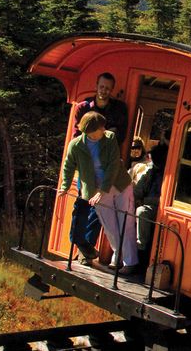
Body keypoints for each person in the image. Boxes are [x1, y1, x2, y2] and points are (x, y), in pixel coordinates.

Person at [60, 112, 139, 274]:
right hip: (96, 190)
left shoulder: (109, 138)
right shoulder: (75, 145)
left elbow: (113, 165)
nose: (104, 129)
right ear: (90, 130)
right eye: (100, 127)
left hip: (119, 185)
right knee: (109, 225)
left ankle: (130, 262)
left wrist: (103, 190)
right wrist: (65, 186)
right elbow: (68, 166)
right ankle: (118, 254)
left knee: (126, 221)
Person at [68, 72, 129, 264]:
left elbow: (120, 137)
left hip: (106, 169)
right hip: (86, 167)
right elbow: (77, 136)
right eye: (101, 87)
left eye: (108, 88)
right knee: (82, 206)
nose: (104, 91)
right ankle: (80, 245)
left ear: (112, 90)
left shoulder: (119, 109)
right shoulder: (83, 107)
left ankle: (86, 250)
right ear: (96, 85)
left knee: (98, 210)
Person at [135, 144, 168, 266]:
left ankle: (141, 250)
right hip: (148, 203)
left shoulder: (168, 174)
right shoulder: (150, 172)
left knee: (142, 212)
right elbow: (138, 190)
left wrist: (145, 201)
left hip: (159, 208)